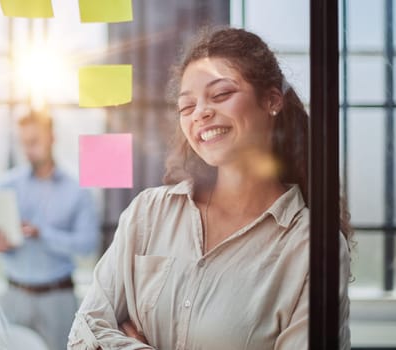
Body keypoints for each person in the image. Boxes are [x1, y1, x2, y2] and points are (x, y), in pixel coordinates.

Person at [67, 27, 352, 350]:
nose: (201, 113)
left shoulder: (312, 247)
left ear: (272, 100)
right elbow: (83, 335)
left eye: (220, 95)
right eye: (187, 107)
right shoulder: (148, 213)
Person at [0, 110, 99, 350]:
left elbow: (88, 245)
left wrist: (43, 234)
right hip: (14, 296)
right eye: (24, 141)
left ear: (52, 138)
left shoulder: (77, 190)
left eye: (34, 140)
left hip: (57, 297)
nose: (28, 148)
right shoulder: (6, 185)